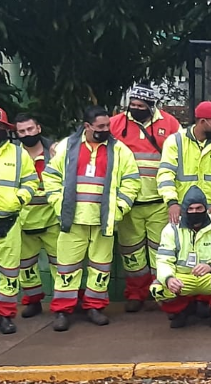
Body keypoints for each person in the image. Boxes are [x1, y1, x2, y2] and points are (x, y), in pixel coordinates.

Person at [42, 106, 141, 331]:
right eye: (101, 127)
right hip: (72, 220)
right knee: (66, 267)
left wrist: (119, 208)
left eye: (108, 125)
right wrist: (58, 203)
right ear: (87, 127)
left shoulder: (120, 151)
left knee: (101, 268)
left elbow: (132, 181)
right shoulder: (67, 147)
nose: (106, 130)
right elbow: (50, 176)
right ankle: (62, 311)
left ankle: (94, 307)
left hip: (103, 220)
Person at [111, 83, 181, 313]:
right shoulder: (117, 123)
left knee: (161, 251)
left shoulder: (169, 124)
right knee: (132, 254)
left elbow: (182, 153)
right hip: (128, 203)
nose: (135, 109)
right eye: (132, 105)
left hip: (159, 202)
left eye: (141, 105)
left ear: (152, 105)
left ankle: (161, 292)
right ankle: (135, 294)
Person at [150, 186, 211, 328]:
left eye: (199, 208)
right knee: (157, 288)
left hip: (208, 277)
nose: (194, 212)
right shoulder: (172, 228)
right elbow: (163, 260)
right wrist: (169, 279)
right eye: (190, 209)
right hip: (183, 278)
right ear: (184, 209)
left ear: (205, 208)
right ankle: (180, 312)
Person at [157, 101, 211, 223]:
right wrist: (172, 203)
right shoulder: (175, 141)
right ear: (203, 121)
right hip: (182, 210)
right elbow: (166, 175)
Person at [14, 113, 59, 319]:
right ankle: (33, 301)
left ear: (38, 128)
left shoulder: (55, 152)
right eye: (21, 131)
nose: (26, 134)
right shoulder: (12, 156)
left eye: (30, 129)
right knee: (26, 267)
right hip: (23, 221)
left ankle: (63, 305)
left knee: (60, 265)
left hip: (52, 221)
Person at [0, 107, 38, 335]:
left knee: (9, 273)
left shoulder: (18, 153)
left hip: (9, 222)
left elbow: (31, 182)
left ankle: (5, 316)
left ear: (5, 129)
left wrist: (18, 200)